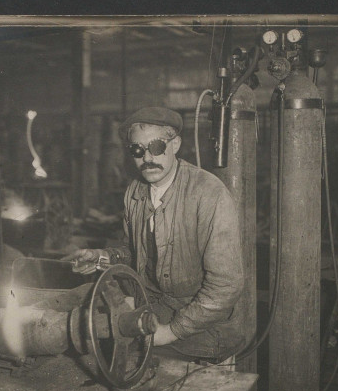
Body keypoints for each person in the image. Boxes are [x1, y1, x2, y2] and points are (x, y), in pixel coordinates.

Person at [65, 107, 245, 362]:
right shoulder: (135, 192)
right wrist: (101, 257)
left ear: (176, 145)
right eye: (137, 150)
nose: (147, 157)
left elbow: (226, 286)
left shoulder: (208, 194)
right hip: (153, 311)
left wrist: (171, 331)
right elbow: (133, 253)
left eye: (157, 146)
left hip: (203, 328)